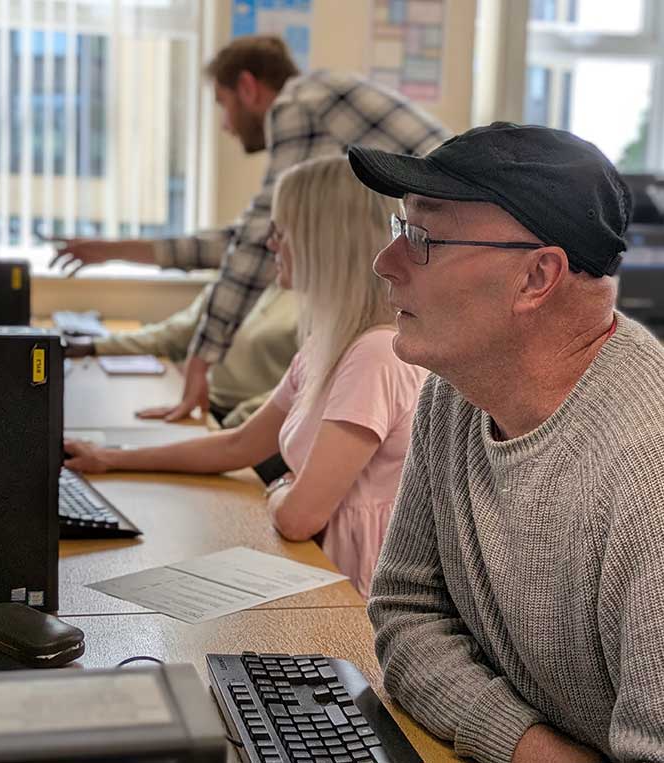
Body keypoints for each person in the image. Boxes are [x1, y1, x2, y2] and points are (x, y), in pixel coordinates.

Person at [347, 123, 664, 762]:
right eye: (398, 227)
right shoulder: (460, 394)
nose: (387, 262)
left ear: (537, 276)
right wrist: (528, 747)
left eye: (423, 238)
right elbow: (408, 615)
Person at [64, 156, 427, 597]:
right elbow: (239, 444)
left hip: (348, 597)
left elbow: (298, 518)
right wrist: (110, 459)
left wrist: (278, 488)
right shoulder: (327, 344)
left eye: (282, 232)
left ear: (321, 242)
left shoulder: (374, 355)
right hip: (311, 570)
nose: (272, 245)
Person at [51, 35, 449, 422]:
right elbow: (249, 241)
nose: (226, 125)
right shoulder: (325, 105)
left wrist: (202, 357)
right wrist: (114, 250)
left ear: (247, 86)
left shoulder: (297, 102)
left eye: (223, 105)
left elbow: (258, 243)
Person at [64, 282, 298, 429]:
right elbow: (172, 335)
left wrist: (232, 425)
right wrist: (95, 346)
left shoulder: (320, 304)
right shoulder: (238, 283)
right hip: (207, 410)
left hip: (251, 424)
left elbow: (305, 389)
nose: (270, 242)